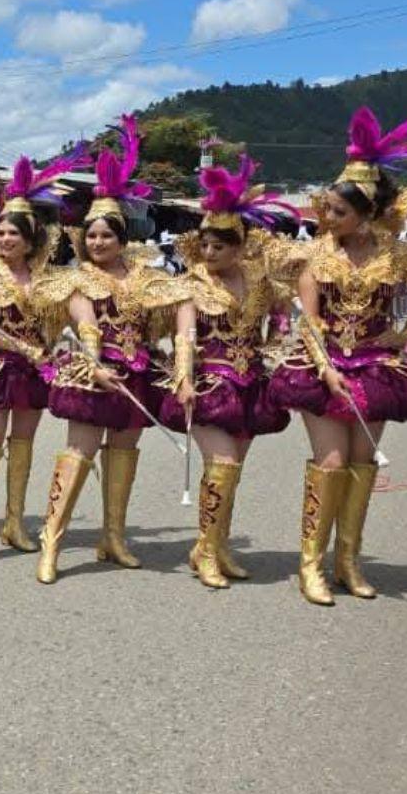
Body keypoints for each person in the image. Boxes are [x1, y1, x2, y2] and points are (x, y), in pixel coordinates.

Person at [268, 67, 407, 606]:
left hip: (375, 366)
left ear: (367, 212)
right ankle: (311, 564)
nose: (327, 217)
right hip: (321, 366)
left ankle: (348, 561)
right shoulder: (314, 255)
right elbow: (304, 318)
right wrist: (324, 364)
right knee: (329, 463)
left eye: (338, 211)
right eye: (326, 208)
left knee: (362, 463)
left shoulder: (396, 255)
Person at [33, 116, 188, 583]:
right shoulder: (77, 278)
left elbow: (184, 306)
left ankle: (113, 537)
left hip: (135, 372)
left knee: (123, 451)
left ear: (124, 239)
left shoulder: (147, 279)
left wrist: (182, 361)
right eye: (91, 235)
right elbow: (84, 325)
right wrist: (97, 366)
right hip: (90, 370)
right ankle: (52, 541)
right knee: (79, 452)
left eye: (106, 235)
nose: (97, 242)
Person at [0, 144, 92, 569]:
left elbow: (77, 314)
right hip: (1, 366)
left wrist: (87, 341)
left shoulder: (52, 280)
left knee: (24, 443)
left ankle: (14, 522)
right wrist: (28, 348)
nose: (5, 239)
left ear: (31, 241)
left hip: (36, 372)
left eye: (13, 234)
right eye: (2, 233)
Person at [158, 154, 296, 588]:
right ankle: (206, 551)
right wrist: (183, 377)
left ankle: (214, 546)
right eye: (205, 245)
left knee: (233, 469)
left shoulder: (260, 283)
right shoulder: (191, 285)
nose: (210, 252)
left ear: (239, 247)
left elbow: (283, 315)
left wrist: (275, 348)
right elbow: (184, 335)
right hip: (209, 382)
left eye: (220, 246)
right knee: (222, 462)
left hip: (251, 383)